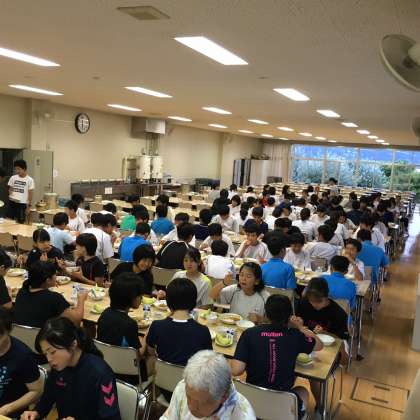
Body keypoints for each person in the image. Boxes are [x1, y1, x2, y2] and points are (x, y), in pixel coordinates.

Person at [231, 295, 322, 420]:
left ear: (266, 314)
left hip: (252, 401)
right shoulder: (295, 335)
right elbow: (319, 345)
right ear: (289, 316)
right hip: (282, 402)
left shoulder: (249, 333)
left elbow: (236, 370)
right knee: (302, 391)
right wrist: (300, 328)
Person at [22, 317, 121, 420]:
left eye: (52, 352)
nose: (49, 359)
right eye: (45, 354)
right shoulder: (58, 367)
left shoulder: (100, 373)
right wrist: (35, 413)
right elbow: (46, 400)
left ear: (73, 344)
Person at [160, 350, 255, 420]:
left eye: (202, 403)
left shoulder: (243, 415)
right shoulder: (184, 386)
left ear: (223, 397)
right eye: (188, 397)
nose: (192, 407)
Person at [146, 278, 212, 367]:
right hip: (190, 375)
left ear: (168, 301)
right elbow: (207, 359)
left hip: (163, 374)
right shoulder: (203, 331)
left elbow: (151, 351)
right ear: (193, 301)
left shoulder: (156, 326)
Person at [14, 261, 87, 327]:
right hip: (42, 336)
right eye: (55, 274)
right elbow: (76, 321)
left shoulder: (22, 291)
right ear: (48, 280)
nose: (56, 277)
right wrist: (81, 299)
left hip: (19, 334)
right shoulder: (54, 298)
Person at [0, 308, 43, 417]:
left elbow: (36, 391)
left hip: (7, 411)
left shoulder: (22, 356)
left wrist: (7, 409)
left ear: (9, 331)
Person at [97, 273, 144, 352]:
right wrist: (146, 338)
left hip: (103, 356)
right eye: (139, 295)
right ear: (131, 298)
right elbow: (136, 354)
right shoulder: (130, 324)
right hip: (122, 359)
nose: (141, 298)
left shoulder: (105, 313)